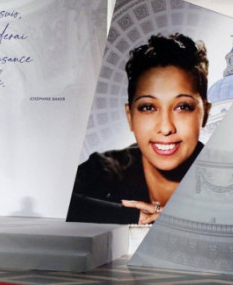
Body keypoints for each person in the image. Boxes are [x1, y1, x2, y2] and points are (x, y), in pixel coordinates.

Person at [67, 33, 211, 225]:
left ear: (205, 113)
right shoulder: (106, 169)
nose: (166, 127)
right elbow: (53, 202)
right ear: (130, 116)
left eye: (182, 107)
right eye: (148, 107)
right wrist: (133, 216)